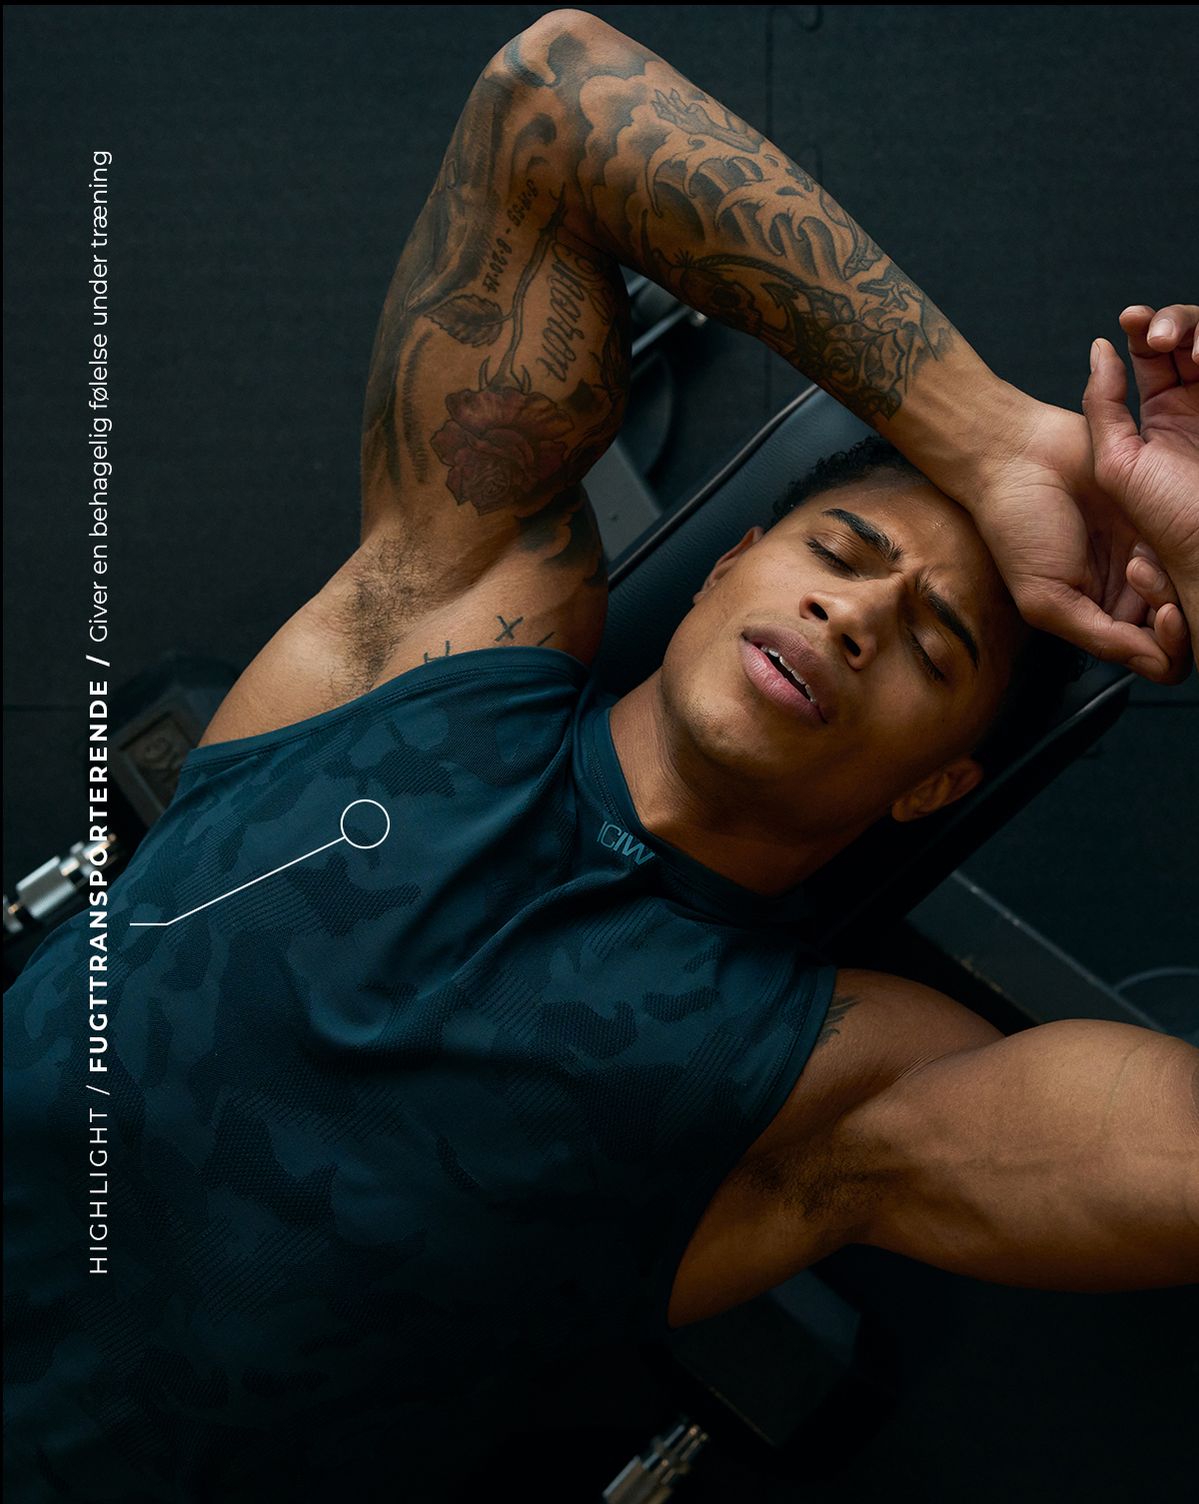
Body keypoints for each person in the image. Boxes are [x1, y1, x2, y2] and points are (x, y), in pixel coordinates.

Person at [4, 10, 1196, 1500]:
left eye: (935, 645)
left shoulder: (829, 1087)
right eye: (841, 551)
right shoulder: (442, 626)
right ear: (730, 565)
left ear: (937, 781)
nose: (857, 612)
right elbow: (550, 96)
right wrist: (994, 442)